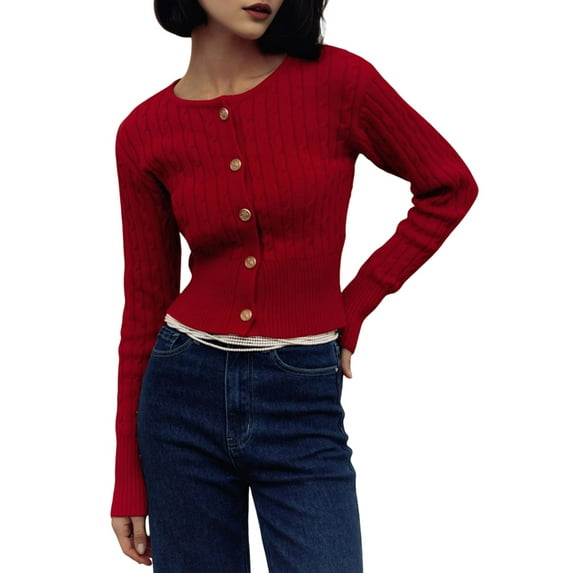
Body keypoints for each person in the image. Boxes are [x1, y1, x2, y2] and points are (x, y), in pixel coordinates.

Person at [110, 0, 478, 570]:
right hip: (179, 399)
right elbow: (144, 310)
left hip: (301, 397)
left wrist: (355, 303)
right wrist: (127, 476)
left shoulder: (341, 82)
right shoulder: (143, 131)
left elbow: (449, 186)